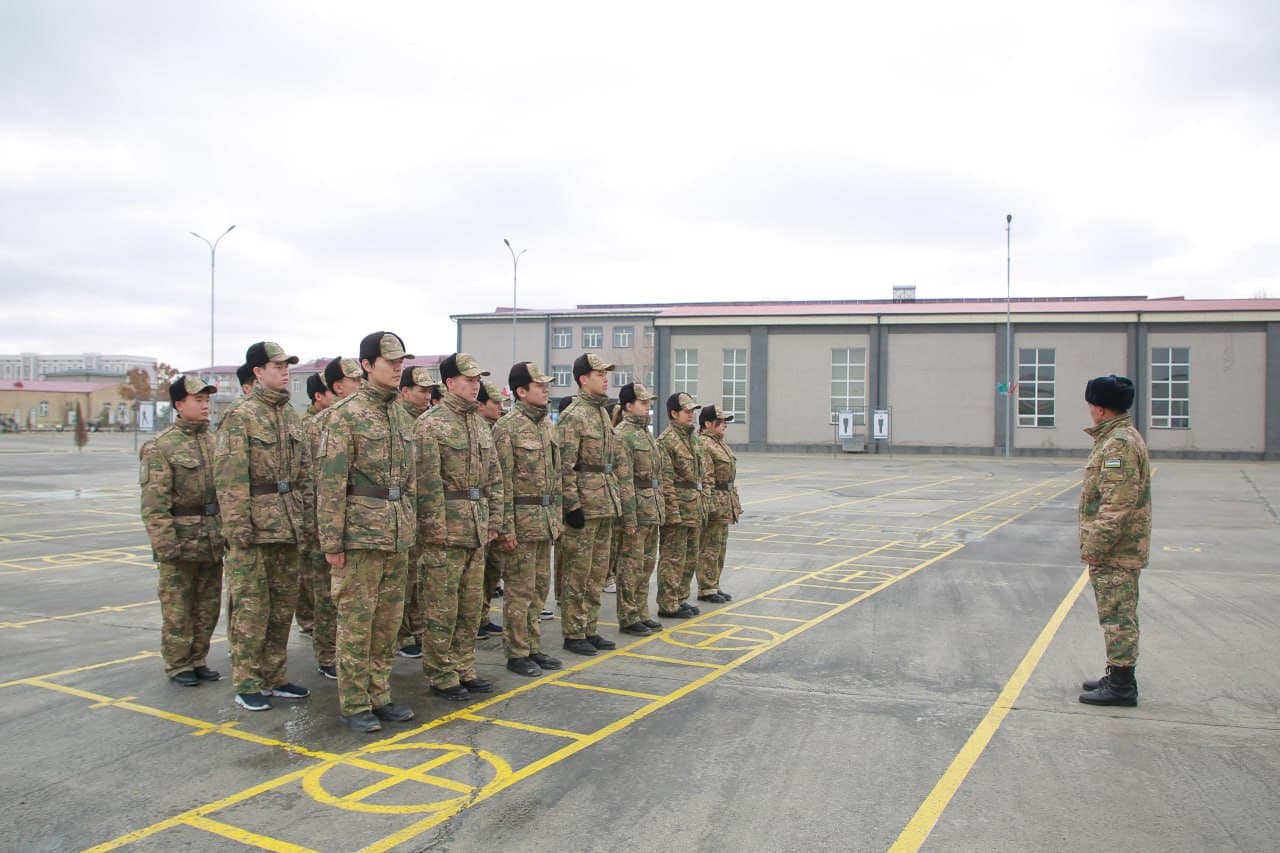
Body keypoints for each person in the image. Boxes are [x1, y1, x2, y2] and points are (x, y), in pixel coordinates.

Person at [316, 332, 418, 732]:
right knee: (357, 622)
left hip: (396, 533)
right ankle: (355, 702)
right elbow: (330, 484)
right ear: (366, 365)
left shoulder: (400, 415)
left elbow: (409, 481)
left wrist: (409, 524)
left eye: (400, 362)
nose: (397, 368)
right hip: (359, 536)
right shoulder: (345, 415)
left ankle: (380, 694)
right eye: (390, 361)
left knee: (388, 623)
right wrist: (332, 542)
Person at [214, 342, 310, 711]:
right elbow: (230, 479)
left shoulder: (289, 415)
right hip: (254, 530)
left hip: (287, 524)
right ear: (257, 372)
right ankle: (248, 681)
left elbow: (303, 473)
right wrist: (239, 531)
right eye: (277, 366)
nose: (285, 372)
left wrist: (303, 518)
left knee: (282, 608)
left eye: (287, 367)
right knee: (251, 609)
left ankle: (275, 675)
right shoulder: (241, 416)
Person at [415, 352, 503, 700]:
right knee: (441, 606)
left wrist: (494, 520)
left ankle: (464, 666)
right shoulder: (431, 424)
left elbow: (494, 477)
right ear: (450, 383)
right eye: (469, 380)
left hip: (476, 528)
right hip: (446, 531)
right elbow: (425, 483)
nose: (475, 385)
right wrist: (434, 531)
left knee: (470, 605)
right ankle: (441, 673)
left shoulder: (479, 425)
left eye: (478, 379)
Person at [140, 375, 224, 686]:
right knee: (178, 606)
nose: (205, 406)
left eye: (207, 400)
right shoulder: (161, 446)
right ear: (178, 404)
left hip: (212, 538)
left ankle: (198, 658)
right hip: (181, 540)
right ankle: (178, 663)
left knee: (208, 605)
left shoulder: (213, 442)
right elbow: (154, 504)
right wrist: (166, 545)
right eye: (198, 400)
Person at [1078, 375, 1151, 707]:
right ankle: (1118, 674)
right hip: (1121, 548)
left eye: (1091, 404)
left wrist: (1095, 547)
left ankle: (1122, 685)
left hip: (1117, 550)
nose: (1090, 410)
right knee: (1118, 614)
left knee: (1118, 617)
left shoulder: (1118, 444)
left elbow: (1116, 504)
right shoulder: (1118, 437)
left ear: (1101, 409)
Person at [492, 362, 565, 677]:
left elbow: (557, 477)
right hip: (521, 523)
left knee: (538, 589)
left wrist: (557, 518)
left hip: (544, 521)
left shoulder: (548, 426)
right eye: (539, 385)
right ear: (521, 391)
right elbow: (502, 482)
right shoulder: (506, 428)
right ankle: (517, 651)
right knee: (519, 591)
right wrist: (505, 528)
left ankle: (533, 646)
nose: (546, 389)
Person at [557, 353, 623, 656]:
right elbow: (564, 465)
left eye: (606, 374)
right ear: (584, 379)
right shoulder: (574, 415)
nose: (605, 379)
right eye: (600, 374)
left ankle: (590, 628)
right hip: (585, 506)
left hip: (604, 503)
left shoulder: (601, 414)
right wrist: (572, 505)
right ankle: (574, 632)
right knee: (578, 573)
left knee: (598, 573)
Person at [611, 383, 666, 636]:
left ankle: (642, 611)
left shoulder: (645, 434)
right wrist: (629, 517)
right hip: (636, 509)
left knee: (645, 565)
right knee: (630, 566)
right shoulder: (622, 435)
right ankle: (628, 615)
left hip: (651, 507)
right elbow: (624, 479)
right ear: (628, 406)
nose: (648, 407)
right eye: (643, 403)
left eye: (648, 403)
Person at [395, 365, 435, 660]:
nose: (427, 396)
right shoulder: (399, 421)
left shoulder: (428, 422)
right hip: (403, 511)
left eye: (430, 391)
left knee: (421, 576)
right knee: (404, 579)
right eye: (422, 391)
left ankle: (418, 628)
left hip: (425, 511)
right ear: (405, 391)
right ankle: (403, 633)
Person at [656, 392, 706, 619]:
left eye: (693, 411)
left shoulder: (692, 437)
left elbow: (700, 475)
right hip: (678, 507)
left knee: (690, 557)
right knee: (673, 558)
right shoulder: (667, 441)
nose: (691, 415)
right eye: (687, 411)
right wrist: (672, 512)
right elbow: (665, 481)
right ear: (674, 413)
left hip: (694, 506)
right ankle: (668, 603)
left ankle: (680, 598)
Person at [295, 373, 333, 639]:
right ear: (318, 396)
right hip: (313, 510)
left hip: (326, 512)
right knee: (310, 574)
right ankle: (310, 621)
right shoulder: (308, 428)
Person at [696, 404, 742, 603]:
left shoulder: (719, 443)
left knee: (719, 547)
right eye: (720, 421)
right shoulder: (704, 444)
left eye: (725, 422)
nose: (724, 425)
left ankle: (714, 583)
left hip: (725, 502)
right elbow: (706, 477)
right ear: (707, 423)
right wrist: (708, 505)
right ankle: (706, 588)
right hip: (715, 502)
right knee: (709, 547)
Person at [476, 380, 506, 639]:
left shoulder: (493, 430)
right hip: (475, 511)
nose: (500, 407)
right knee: (479, 572)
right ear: (481, 405)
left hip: (492, 510)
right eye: (495, 402)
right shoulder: (479, 430)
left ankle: (483, 616)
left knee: (492, 570)